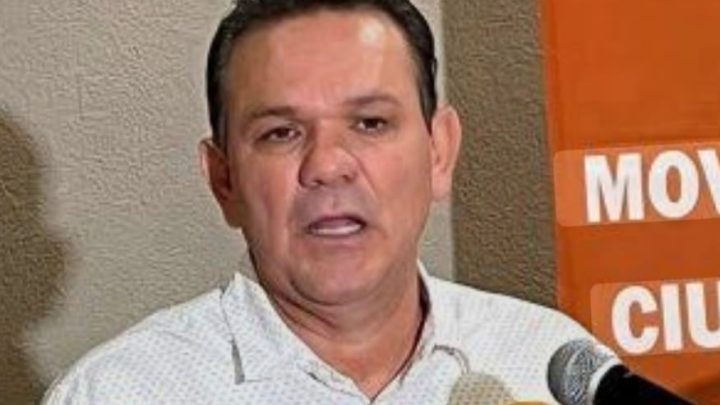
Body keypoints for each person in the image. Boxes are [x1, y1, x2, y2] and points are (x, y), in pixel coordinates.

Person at [43, 0, 595, 403]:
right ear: (224, 180)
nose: (328, 165)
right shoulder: (115, 393)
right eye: (281, 133)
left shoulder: (549, 363)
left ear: (439, 152)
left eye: (371, 123)